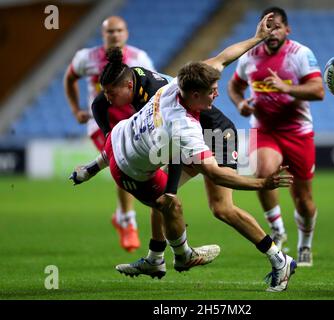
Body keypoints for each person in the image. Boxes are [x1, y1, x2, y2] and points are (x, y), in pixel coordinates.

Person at [71, 13, 298, 292]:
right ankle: (156, 258)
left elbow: (223, 58)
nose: (217, 95)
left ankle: (279, 259)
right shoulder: (173, 102)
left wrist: (258, 38)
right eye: (212, 90)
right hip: (184, 134)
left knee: (221, 208)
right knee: (163, 198)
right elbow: (173, 143)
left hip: (215, 135)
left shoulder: (175, 93)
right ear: (192, 91)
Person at [228, 7, 325, 267]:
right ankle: (278, 229)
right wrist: (240, 105)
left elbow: (318, 91)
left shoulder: (300, 54)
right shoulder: (249, 55)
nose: (272, 32)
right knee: (263, 171)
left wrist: (288, 88)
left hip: (297, 131)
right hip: (264, 129)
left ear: (287, 29)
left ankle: (305, 243)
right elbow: (234, 86)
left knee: (303, 200)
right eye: (268, 27)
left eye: (278, 27)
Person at [63, 16, 155, 252]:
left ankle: (122, 216)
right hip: (101, 125)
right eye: (110, 31)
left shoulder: (139, 58)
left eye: (119, 31)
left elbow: (152, 90)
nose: (114, 35)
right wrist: (76, 110)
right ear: (103, 34)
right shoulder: (86, 58)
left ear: (126, 33)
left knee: (131, 165)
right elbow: (69, 78)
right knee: (122, 162)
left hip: (131, 123)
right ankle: (128, 222)